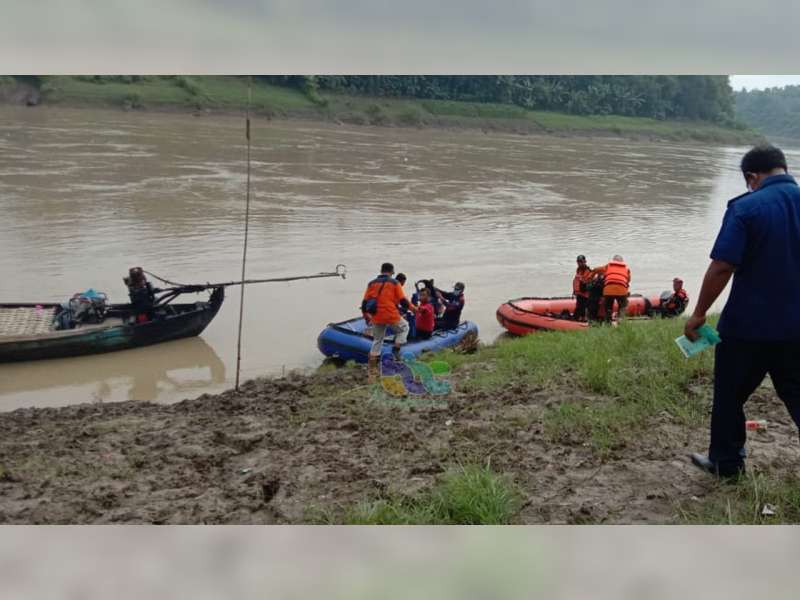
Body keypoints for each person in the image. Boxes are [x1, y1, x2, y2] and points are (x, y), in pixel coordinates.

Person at [686, 144, 800, 479]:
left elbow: (722, 266)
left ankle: (726, 463)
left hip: (748, 327)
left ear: (752, 177)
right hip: (797, 329)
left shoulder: (747, 208)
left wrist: (698, 314)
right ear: (783, 168)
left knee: (730, 395)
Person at [361, 262, 416, 380]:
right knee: (405, 327)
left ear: (381, 270)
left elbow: (364, 303)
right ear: (391, 272)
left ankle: (372, 370)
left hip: (376, 316)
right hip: (391, 315)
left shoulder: (371, 283)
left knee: (377, 340)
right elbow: (403, 301)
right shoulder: (394, 283)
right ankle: (396, 351)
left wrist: (366, 316)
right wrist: (414, 309)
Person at [590, 255, 631, 323]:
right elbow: (628, 281)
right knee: (623, 305)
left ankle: (608, 322)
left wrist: (590, 277)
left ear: (613, 261)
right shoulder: (627, 269)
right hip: (621, 290)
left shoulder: (608, 266)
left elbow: (595, 269)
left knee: (608, 307)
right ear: (622, 262)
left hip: (608, 290)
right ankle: (620, 320)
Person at [572, 254, 592, 321]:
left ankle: (582, 319)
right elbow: (577, 281)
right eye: (578, 262)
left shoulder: (588, 271)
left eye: (581, 261)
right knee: (579, 307)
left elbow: (588, 282)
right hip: (579, 293)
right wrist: (575, 291)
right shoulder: (578, 270)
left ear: (584, 261)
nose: (579, 263)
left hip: (585, 294)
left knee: (582, 307)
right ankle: (579, 319)